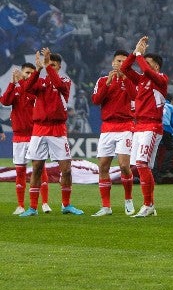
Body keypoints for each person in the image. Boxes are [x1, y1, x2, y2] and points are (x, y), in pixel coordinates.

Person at [19, 48, 84, 216]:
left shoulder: (65, 81)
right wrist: (39, 68)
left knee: (66, 169)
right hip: (39, 129)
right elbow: (26, 88)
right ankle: (33, 207)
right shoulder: (40, 82)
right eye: (50, 64)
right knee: (37, 168)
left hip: (57, 129)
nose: (51, 67)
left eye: (53, 65)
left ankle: (66, 205)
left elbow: (59, 85)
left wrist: (46, 66)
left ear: (59, 66)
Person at [121, 36, 168, 218]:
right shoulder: (141, 80)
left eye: (147, 63)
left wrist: (140, 55)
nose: (143, 66)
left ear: (156, 66)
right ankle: (150, 205)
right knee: (141, 166)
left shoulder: (161, 79)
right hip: (139, 126)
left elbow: (146, 70)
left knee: (142, 164)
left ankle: (148, 204)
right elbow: (125, 68)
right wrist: (134, 53)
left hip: (151, 126)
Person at [90, 50, 137, 216]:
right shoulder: (103, 80)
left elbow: (135, 96)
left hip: (125, 126)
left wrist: (125, 78)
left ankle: (128, 200)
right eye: (118, 61)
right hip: (107, 128)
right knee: (103, 166)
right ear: (112, 63)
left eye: (124, 62)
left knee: (124, 166)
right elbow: (96, 101)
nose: (121, 64)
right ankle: (106, 206)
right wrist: (108, 83)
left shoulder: (132, 79)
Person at [0, 63, 52, 214]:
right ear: (21, 73)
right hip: (19, 137)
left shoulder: (38, 91)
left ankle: (45, 203)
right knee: (20, 171)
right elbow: (4, 101)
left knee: (40, 169)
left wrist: (22, 81)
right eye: (27, 72)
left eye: (31, 73)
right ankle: (20, 205)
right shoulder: (15, 89)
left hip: (36, 135)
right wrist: (12, 82)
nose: (29, 75)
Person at [152, 93, 173, 183]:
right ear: (171, 100)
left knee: (154, 151)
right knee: (172, 148)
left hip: (154, 128)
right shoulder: (172, 107)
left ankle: (154, 174)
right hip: (166, 128)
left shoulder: (155, 105)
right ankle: (164, 171)